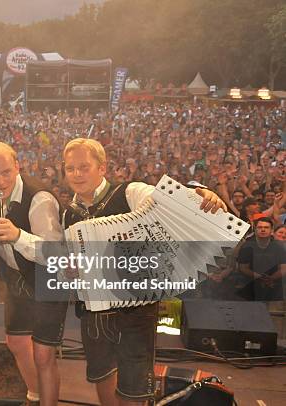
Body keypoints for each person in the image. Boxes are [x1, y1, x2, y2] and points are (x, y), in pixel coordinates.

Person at [60, 138, 227, 406]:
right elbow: (72, 267)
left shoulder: (129, 192)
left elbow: (162, 198)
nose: (77, 174)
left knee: (134, 393)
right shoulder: (69, 214)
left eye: (84, 167)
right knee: (102, 381)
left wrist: (198, 191)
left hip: (136, 312)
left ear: (102, 168)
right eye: (70, 169)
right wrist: (71, 271)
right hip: (93, 313)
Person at [0, 142, 66, 406]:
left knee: (44, 355)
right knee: (17, 342)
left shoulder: (40, 199)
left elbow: (56, 254)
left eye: (6, 172)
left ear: (18, 166)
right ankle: (35, 396)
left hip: (47, 279)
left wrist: (19, 236)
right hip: (16, 278)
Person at [237, 217, 285, 301]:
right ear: (255, 230)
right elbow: (243, 268)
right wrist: (260, 277)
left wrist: (271, 278)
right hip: (250, 281)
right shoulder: (247, 246)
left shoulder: (279, 246)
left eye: (266, 227)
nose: (263, 230)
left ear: (271, 230)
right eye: (260, 227)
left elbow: (284, 268)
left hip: (274, 282)